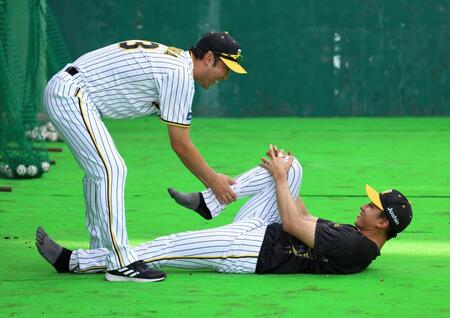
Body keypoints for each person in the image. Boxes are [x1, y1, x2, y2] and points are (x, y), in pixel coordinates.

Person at [43, 31, 247, 282]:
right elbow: (181, 144)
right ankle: (120, 262)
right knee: (111, 170)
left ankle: (99, 253)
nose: (225, 76)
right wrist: (213, 181)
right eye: (224, 67)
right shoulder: (180, 74)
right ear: (207, 58)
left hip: (70, 91)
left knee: (100, 171)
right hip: (72, 95)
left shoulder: (176, 64)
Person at [36, 145, 413, 278]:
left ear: (383, 222)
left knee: (166, 247)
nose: (364, 204)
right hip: (260, 232)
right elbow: (305, 216)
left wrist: (280, 181)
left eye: (372, 205)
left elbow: (293, 222)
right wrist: (284, 172)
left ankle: (74, 262)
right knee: (291, 165)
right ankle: (210, 201)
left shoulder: (357, 247)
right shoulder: (357, 237)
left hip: (246, 252)